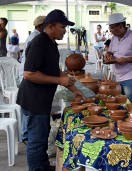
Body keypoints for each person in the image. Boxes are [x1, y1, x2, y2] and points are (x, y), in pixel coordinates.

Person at [16, 9, 84, 171]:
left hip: (41, 100)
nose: (65, 31)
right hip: (34, 100)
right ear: (51, 26)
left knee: (42, 135)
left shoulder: (51, 43)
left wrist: (74, 88)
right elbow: (29, 74)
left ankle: (43, 167)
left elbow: (53, 70)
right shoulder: (40, 43)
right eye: (62, 27)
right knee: (36, 140)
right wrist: (59, 80)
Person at [104, 13, 132, 102]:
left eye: (112, 27)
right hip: (119, 77)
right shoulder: (114, 38)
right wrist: (108, 54)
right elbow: (110, 50)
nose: (110, 30)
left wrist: (126, 60)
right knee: (121, 104)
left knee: (130, 105)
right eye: (110, 28)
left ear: (121, 26)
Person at [19, 15, 46, 145]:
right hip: (28, 79)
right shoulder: (37, 39)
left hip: (27, 76)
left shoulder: (36, 37)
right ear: (41, 26)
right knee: (30, 111)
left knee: (29, 112)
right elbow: (30, 73)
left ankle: (26, 135)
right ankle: (26, 136)